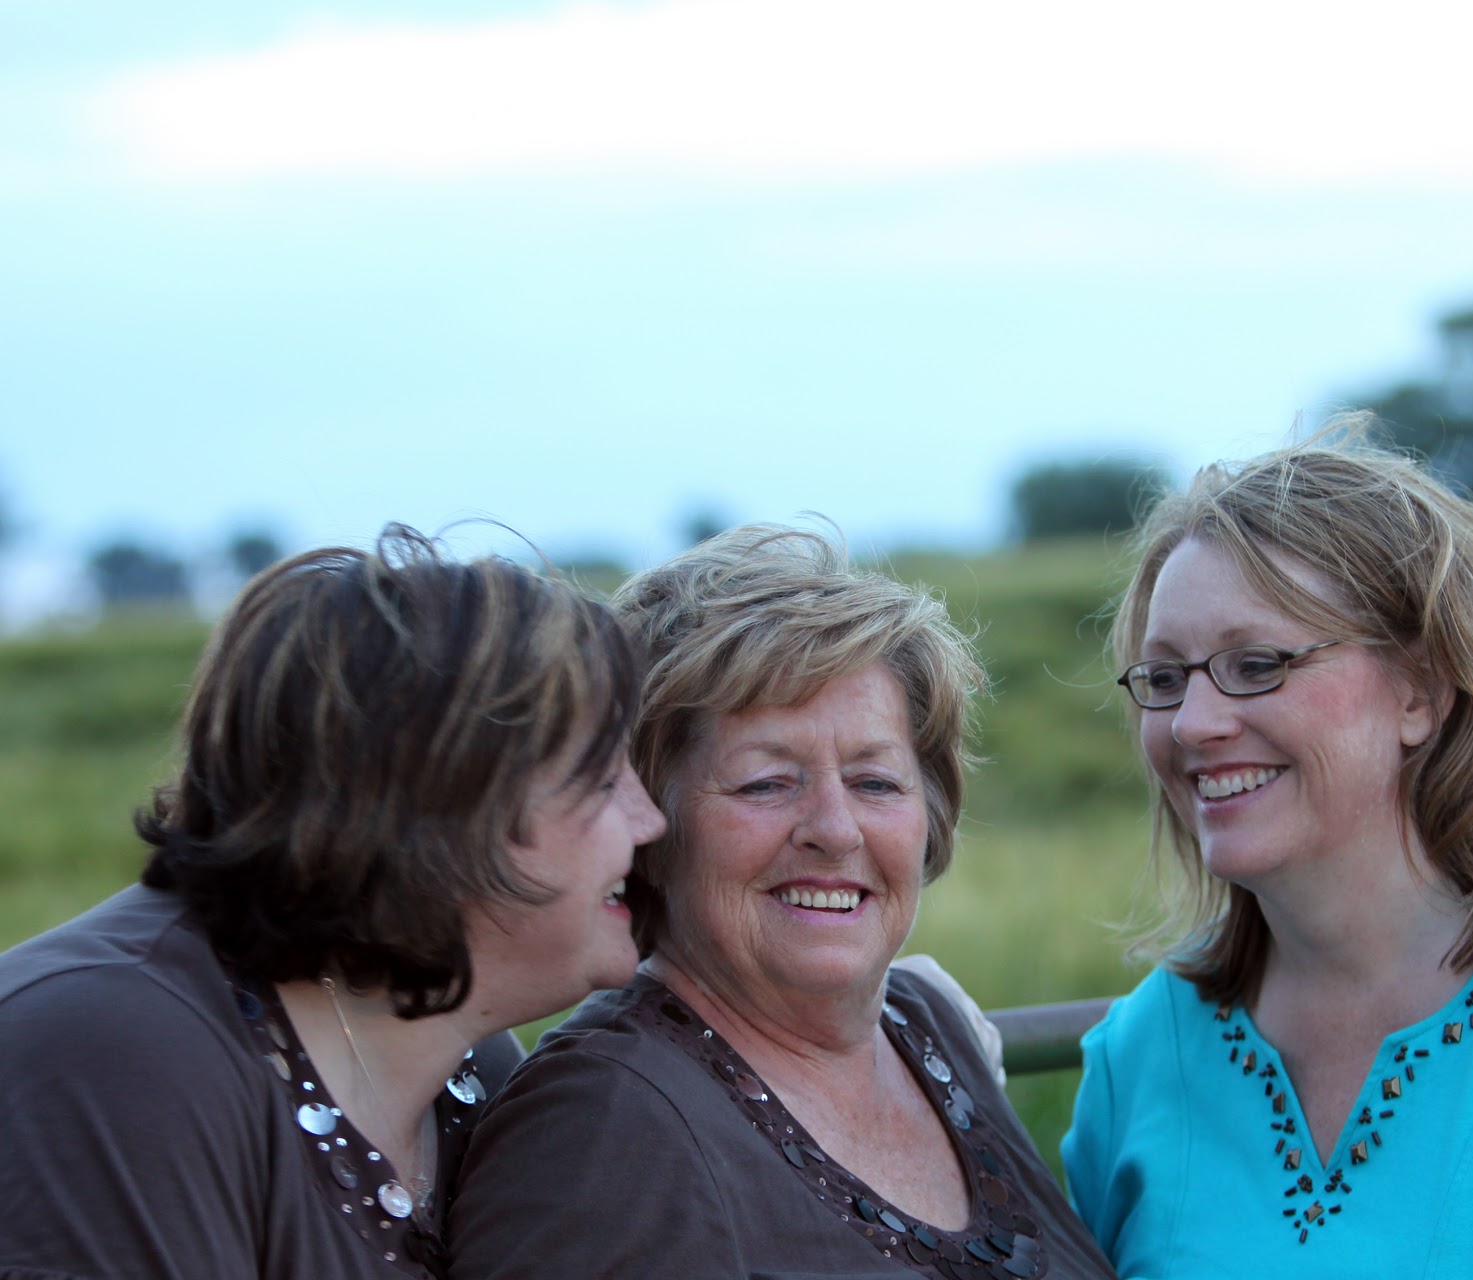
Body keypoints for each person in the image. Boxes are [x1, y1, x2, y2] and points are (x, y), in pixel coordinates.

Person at [449, 525, 1117, 1280]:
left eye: (875, 782)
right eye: (765, 783)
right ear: (649, 823)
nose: (835, 830)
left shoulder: (925, 1027)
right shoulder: (601, 1132)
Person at [0, 524, 665, 1280]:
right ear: (439, 807)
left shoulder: (462, 1057)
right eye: (602, 780)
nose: (651, 822)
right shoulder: (108, 1055)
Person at [1061, 419, 1473, 1277]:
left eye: (1256, 664)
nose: (1192, 723)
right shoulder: (1143, 1055)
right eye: (1164, 679)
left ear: (1420, 689)